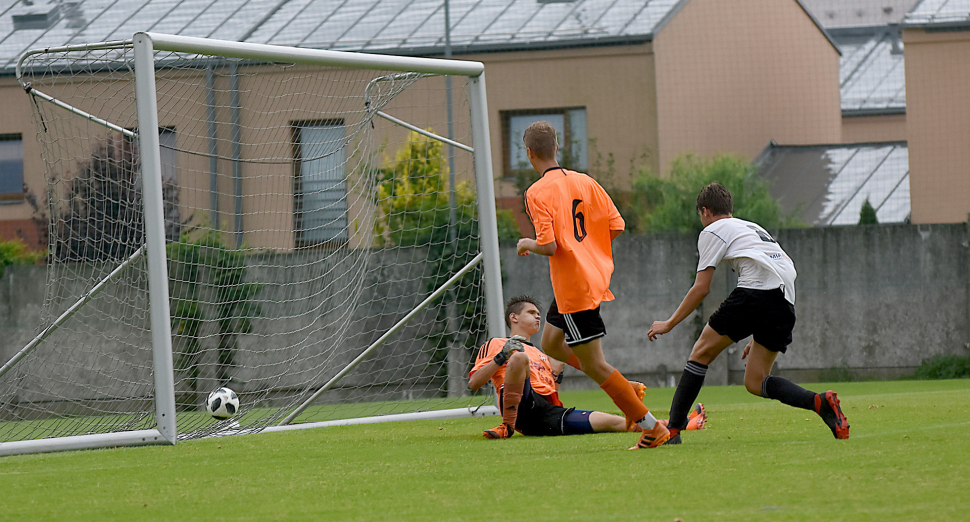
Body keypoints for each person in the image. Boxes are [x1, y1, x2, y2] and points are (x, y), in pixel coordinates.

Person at [647, 182, 849, 445]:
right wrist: (761, 328)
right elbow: (785, 270)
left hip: (757, 294)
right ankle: (819, 403)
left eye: (700, 216)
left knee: (700, 353)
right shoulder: (752, 227)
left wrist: (669, 323)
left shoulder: (713, 229)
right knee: (755, 381)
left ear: (705, 211)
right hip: (784, 302)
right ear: (729, 209)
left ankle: (672, 430)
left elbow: (701, 288)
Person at [515, 121, 670, 449]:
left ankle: (651, 427)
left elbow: (550, 245)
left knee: (594, 364)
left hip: (575, 287)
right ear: (557, 147)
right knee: (552, 343)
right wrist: (589, 251)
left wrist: (526, 243)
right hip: (590, 279)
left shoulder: (536, 192)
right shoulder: (586, 181)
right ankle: (624, 386)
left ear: (529, 153)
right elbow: (617, 225)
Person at [469, 295, 707, 438]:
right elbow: (474, 383)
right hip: (520, 409)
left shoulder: (544, 354)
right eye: (532, 313)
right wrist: (502, 356)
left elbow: (556, 390)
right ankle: (506, 426)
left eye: (540, 313)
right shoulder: (497, 344)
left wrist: (622, 383)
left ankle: (681, 423)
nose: (538, 317)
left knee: (616, 422)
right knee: (518, 357)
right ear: (514, 318)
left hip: (544, 416)